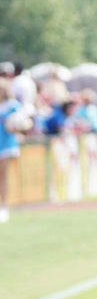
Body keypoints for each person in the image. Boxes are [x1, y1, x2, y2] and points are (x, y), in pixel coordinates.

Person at [0, 78, 33, 223]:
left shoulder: (12, 106)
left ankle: (3, 206)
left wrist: (18, 127)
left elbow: (27, 122)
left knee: (2, 176)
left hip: (6, 144)